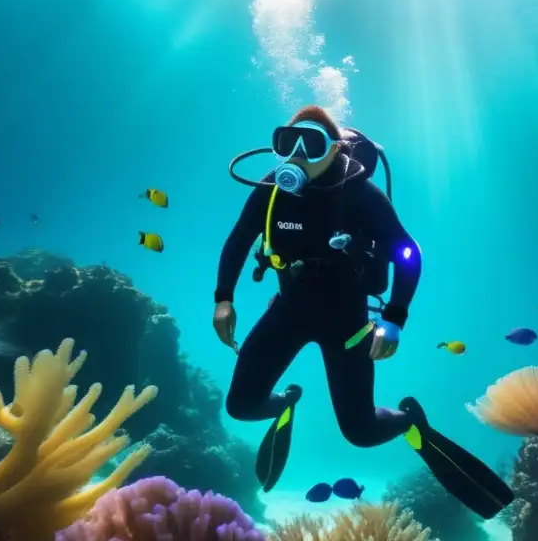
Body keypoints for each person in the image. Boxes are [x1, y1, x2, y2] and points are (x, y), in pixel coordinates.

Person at [213, 105, 514, 519]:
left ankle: (408, 419)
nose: (297, 154)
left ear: (334, 150)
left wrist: (394, 319)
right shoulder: (270, 189)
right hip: (290, 309)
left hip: (346, 323)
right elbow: (238, 240)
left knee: (361, 432)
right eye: (287, 142)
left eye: (311, 144)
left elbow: (409, 254)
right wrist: (223, 298)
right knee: (241, 406)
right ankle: (286, 402)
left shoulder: (360, 194)